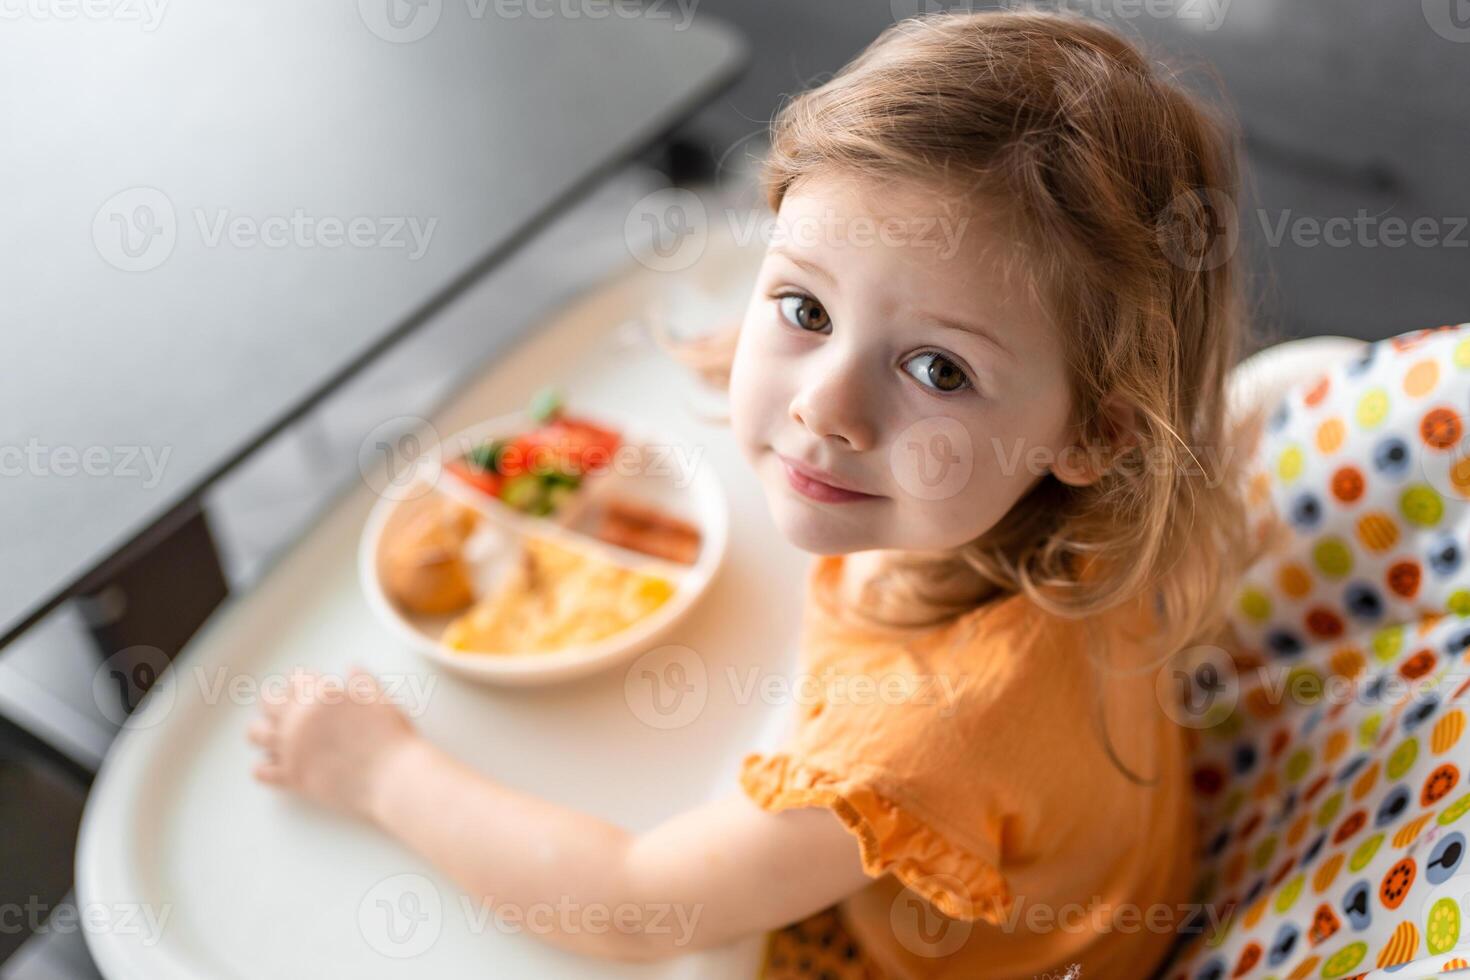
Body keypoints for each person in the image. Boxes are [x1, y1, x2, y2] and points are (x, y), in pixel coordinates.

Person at [246, 9, 1262, 976]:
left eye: (939, 370)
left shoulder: (918, 742)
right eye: (804, 304)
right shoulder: (1074, 494)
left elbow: (635, 902)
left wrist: (379, 771)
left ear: (1098, 432)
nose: (825, 410)